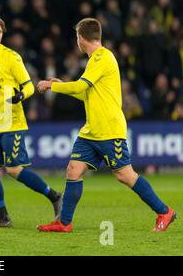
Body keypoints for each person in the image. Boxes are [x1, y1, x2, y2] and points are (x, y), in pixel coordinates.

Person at [36, 18, 176, 232]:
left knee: (125, 175)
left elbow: (81, 86)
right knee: (73, 170)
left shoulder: (103, 56)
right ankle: (64, 223)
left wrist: (51, 86)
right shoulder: (94, 60)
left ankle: (164, 211)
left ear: (81, 38)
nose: (77, 41)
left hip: (109, 130)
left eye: (77, 37)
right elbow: (85, 92)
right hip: (91, 131)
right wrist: (63, 85)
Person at [0, 16, 62, 228]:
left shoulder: (11, 57)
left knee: (14, 170)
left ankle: (53, 195)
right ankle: (3, 217)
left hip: (12, 122)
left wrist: (21, 96)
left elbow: (29, 85)